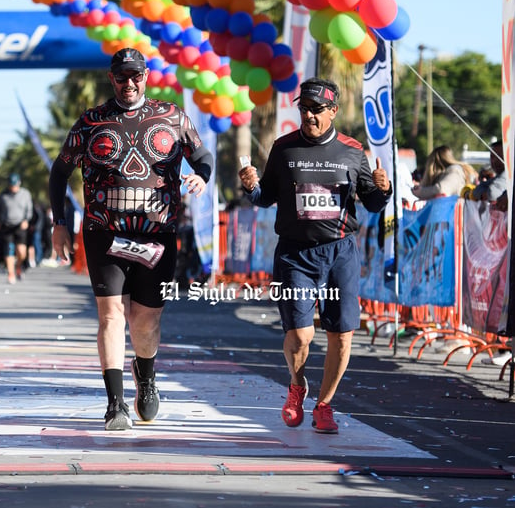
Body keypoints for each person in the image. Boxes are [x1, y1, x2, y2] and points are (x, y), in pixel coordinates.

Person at [49, 47, 214, 430]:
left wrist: (201, 176)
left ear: (146, 77)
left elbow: (202, 155)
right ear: (112, 78)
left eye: (135, 76)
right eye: (122, 76)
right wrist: (60, 222)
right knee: (111, 316)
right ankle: (115, 404)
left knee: (145, 321)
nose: (129, 83)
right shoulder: (91, 122)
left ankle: (147, 376)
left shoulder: (171, 117)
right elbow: (60, 173)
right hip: (103, 231)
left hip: (157, 233)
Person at [238, 77, 392, 434]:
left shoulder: (353, 152)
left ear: (333, 111)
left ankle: (324, 405)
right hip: (295, 253)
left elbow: (371, 202)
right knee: (301, 335)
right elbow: (266, 197)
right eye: (304, 109)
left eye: (316, 110)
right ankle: (297, 385)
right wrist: (251, 187)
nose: (308, 115)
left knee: (341, 334)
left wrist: (384, 190)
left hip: (339, 252)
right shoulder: (284, 148)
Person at [0, 173, 33, 284]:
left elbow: (29, 210)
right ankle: (11, 274)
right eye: (11, 186)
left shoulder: (25, 194)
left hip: (20, 226)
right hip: (7, 226)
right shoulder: (3, 195)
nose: (13, 188)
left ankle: (19, 266)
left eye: (15, 185)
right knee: (9, 250)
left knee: (21, 252)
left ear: (19, 183)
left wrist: (26, 220)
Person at [411, 144, 476, 201]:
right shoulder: (454, 172)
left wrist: (421, 192)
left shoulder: (455, 171)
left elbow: (441, 190)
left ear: (433, 163)